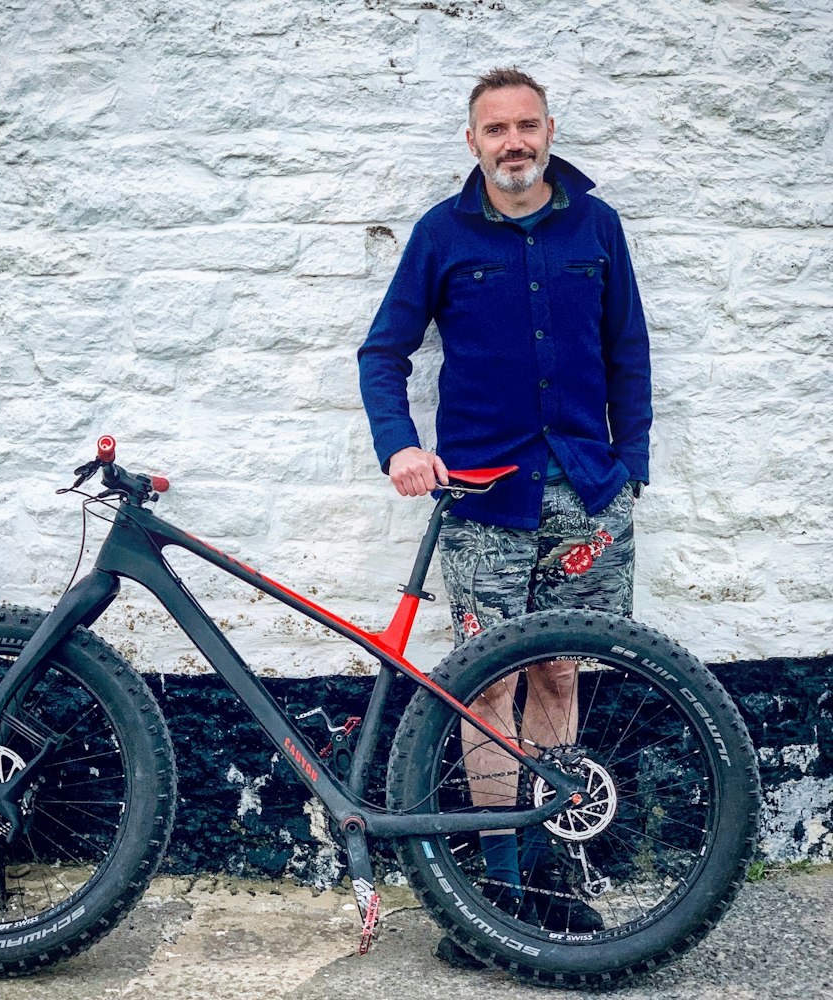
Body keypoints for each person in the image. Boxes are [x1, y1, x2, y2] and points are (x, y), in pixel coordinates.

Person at [357, 67, 651, 965]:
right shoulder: (442, 235)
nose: (514, 142)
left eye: (527, 126)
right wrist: (401, 447)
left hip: (586, 494)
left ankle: (554, 885)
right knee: (487, 687)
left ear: (549, 130)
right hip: (485, 497)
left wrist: (629, 466)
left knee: (559, 674)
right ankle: (498, 889)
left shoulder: (595, 227)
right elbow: (384, 352)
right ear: (473, 141)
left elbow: (629, 352)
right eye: (497, 130)